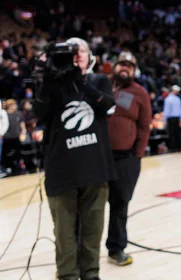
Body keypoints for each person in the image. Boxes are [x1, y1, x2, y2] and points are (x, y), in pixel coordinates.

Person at [33, 37, 116, 280]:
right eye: (71, 52)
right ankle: (68, 275)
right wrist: (49, 80)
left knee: (93, 229)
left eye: (80, 51)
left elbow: (109, 107)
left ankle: (91, 274)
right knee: (64, 233)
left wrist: (80, 81)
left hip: (95, 169)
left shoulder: (99, 80)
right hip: (61, 172)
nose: (75, 56)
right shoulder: (52, 85)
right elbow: (39, 113)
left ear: (89, 56)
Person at [105, 51, 152, 266]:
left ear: (134, 71)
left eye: (129, 66)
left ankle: (116, 248)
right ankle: (82, 250)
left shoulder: (140, 93)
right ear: (114, 67)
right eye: (121, 64)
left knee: (120, 203)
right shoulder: (102, 85)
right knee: (90, 204)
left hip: (126, 159)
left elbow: (144, 126)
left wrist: (137, 155)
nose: (125, 68)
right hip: (98, 157)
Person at [163, 85, 181, 152]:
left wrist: (164, 120)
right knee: (177, 133)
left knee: (172, 134)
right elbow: (180, 110)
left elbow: (166, 111)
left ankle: (173, 148)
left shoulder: (167, 99)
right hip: (177, 118)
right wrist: (180, 119)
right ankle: (178, 147)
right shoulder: (178, 99)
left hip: (171, 118)